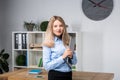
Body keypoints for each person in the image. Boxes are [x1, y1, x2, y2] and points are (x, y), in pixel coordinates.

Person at [42, 16, 77, 80]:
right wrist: (63, 57)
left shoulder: (68, 41)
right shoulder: (48, 43)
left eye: (61, 25)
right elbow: (46, 66)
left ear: (64, 27)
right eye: (55, 26)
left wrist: (71, 56)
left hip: (68, 74)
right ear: (51, 28)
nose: (58, 28)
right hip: (55, 76)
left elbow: (74, 62)